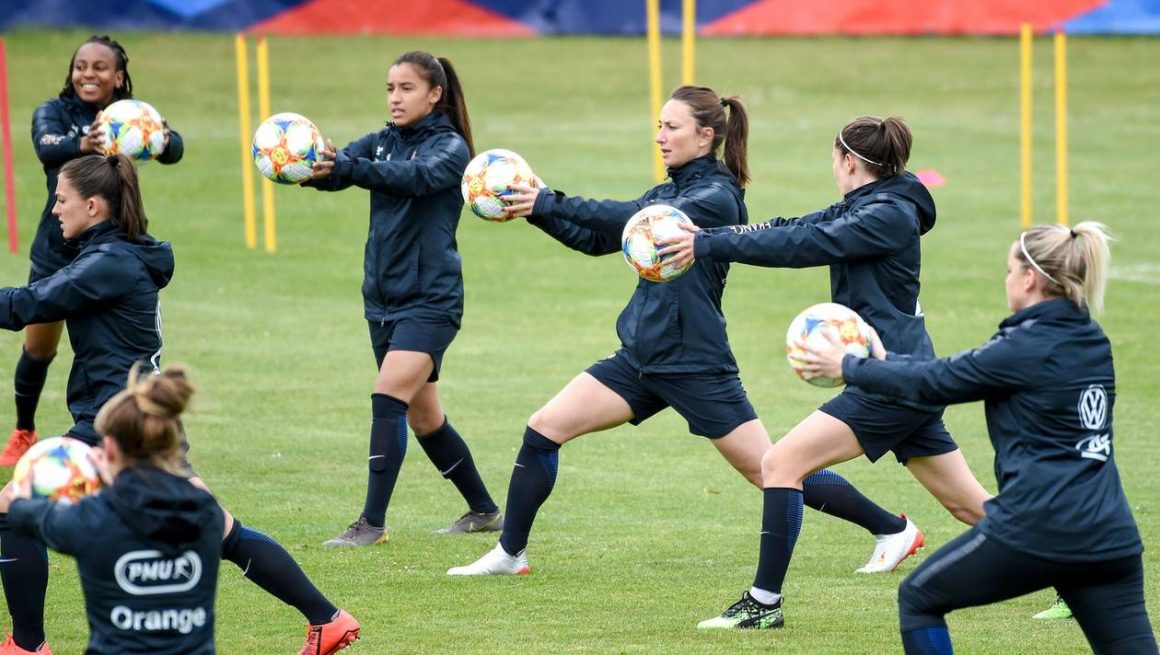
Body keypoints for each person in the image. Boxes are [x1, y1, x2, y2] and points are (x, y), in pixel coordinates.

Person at [448, 87, 921, 578]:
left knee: (772, 469)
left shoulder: (714, 199)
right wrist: (534, 207)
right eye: (658, 126)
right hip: (640, 357)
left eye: (671, 127)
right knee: (544, 428)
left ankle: (891, 528)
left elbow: (627, 217)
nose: (660, 136)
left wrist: (552, 199)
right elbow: (594, 240)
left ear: (706, 136)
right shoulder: (667, 191)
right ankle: (510, 553)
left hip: (694, 361)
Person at [0, 155, 359, 655]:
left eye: (61, 200)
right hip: (138, 414)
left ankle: (26, 645)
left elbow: (28, 305)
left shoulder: (108, 262)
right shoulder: (117, 254)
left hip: (115, 420)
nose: (55, 210)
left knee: (11, 507)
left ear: (92, 205)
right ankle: (327, 617)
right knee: (220, 528)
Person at [663, 116, 993, 630]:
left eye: (833, 160)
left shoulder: (887, 215)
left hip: (890, 379)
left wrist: (708, 246)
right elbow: (792, 228)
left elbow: (809, 245)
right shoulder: (873, 203)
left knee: (780, 465)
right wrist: (711, 234)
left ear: (849, 162)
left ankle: (763, 603)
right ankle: (1079, 568)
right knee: (971, 508)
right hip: (906, 374)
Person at [797, 222, 1156, 654]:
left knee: (920, 598)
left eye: (1009, 270)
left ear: (1030, 278)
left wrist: (852, 367)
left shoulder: (1025, 346)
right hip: (1110, 536)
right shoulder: (1091, 341)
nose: (1006, 280)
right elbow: (945, 375)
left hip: (1042, 529)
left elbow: (939, 381)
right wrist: (886, 360)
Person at [303, 50, 504, 545]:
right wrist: (308, 165)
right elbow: (341, 170)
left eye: (406, 88)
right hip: (382, 300)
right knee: (424, 415)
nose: (395, 98)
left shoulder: (451, 149)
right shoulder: (382, 142)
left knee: (387, 396)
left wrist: (353, 167)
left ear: (435, 94)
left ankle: (370, 524)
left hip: (431, 302)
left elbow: (414, 179)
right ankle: (483, 510)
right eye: (390, 88)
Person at [0, 35, 184, 468]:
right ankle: (24, 429)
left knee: (100, 341)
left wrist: (157, 134)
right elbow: (46, 147)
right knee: (40, 348)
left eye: (100, 67)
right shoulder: (54, 112)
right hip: (58, 251)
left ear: (118, 77)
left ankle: (111, 434)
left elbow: (175, 150)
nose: (88, 74)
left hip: (102, 250)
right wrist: (85, 143)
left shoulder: (130, 116)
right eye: (80, 65)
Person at [0, 365, 222, 654]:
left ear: (110, 450)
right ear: (170, 448)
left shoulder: (91, 520)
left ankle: (27, 644)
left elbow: (16, 509)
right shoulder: (208, 513)